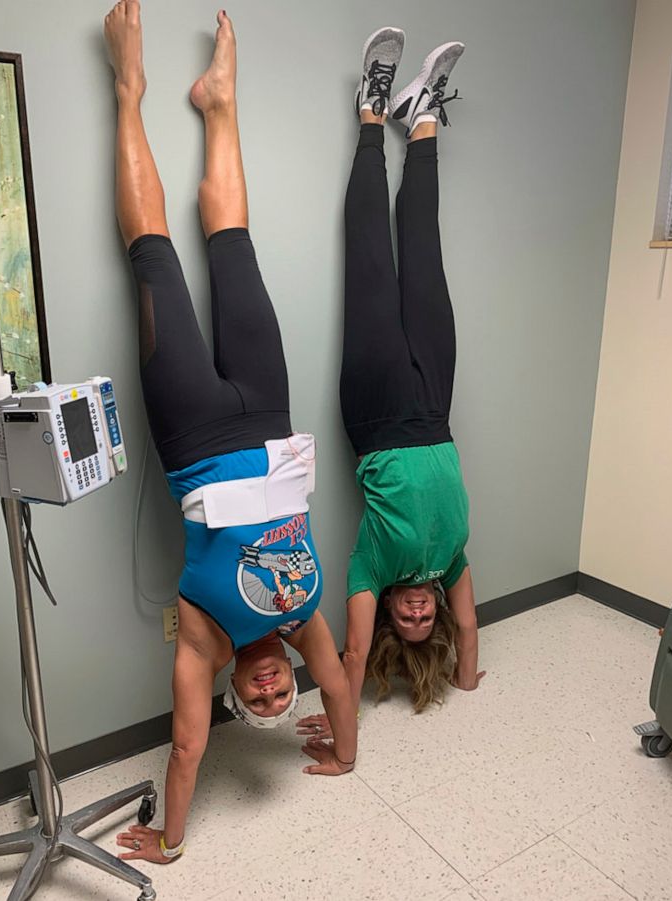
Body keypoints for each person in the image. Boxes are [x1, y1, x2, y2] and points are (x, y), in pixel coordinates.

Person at [101, 1, 358, 866]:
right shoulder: (304, 618)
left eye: (265, 703)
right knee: (236, 245)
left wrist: (171, 841)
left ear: (238, 701)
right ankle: (221, 102)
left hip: (193, 436)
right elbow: (339, 679)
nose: (277, 689)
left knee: (154, 254)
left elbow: (184, 751)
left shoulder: (205, 642)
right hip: (270, 412)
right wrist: (346, 749)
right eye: (285, 691)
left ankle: (128, 88)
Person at [300, 30, 485, 746]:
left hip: (376, 412)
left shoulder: (371, 564)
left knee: (372, 258)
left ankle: (372, 114)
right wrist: (465, 680)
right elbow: (469, 627)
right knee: (426, 250)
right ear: (433, 606)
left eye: (402, 621)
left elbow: (347, 654)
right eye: (422, 618)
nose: (414, 615)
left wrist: (345, 742)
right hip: (436, 406)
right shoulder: (453, 559)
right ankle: (426, 117)